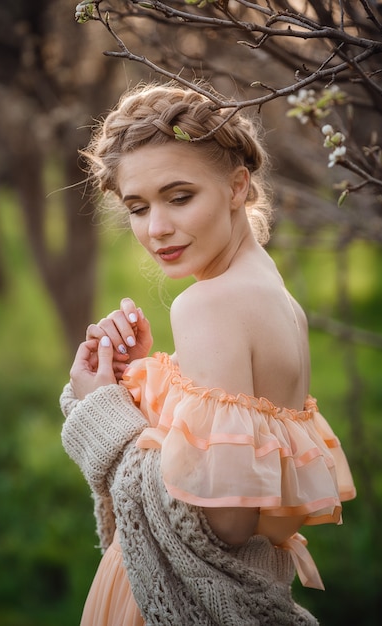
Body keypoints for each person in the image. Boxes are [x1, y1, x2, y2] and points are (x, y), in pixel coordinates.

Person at [60, 82, 356, 625]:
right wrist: (140, 386)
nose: (157, 229)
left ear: (238, 187)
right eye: (138, 207)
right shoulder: (273, 292)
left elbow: (224, 523)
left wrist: (102, 414)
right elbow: (226, 467)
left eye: (179, 197)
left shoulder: (207, 304)